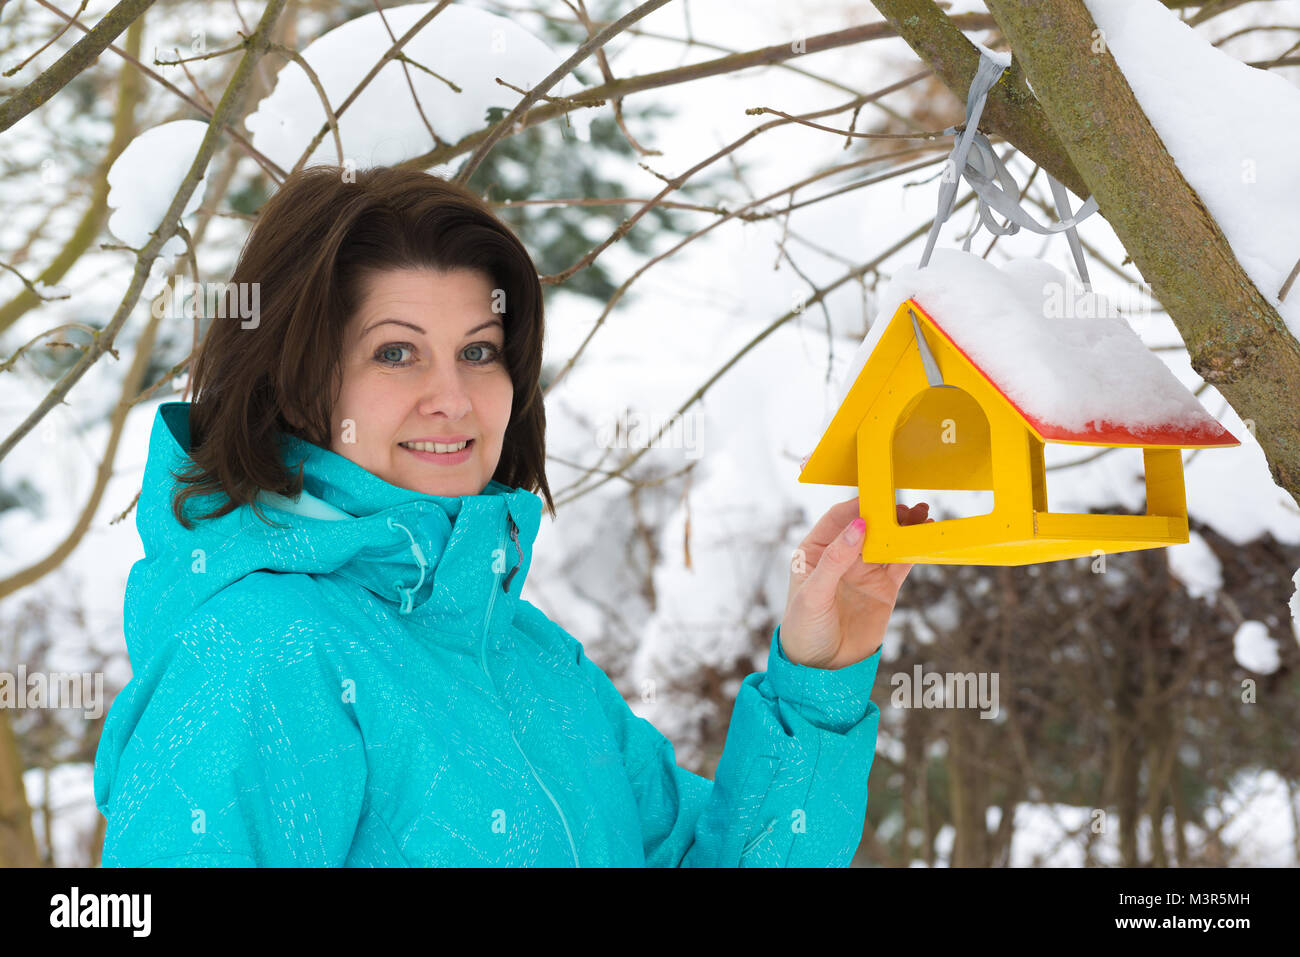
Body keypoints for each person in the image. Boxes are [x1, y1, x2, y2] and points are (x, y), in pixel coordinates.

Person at [92, 165, 930, 867]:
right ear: (298, 378)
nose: (453, 399)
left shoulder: (520, 651)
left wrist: (820, 678)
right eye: (396, 352)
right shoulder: (259, 653)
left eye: (478, 351)